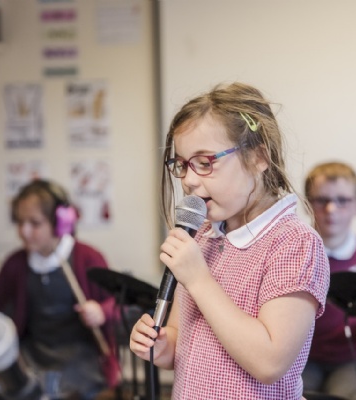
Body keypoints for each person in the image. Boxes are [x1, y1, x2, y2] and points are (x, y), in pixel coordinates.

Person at [129, 82, 330, 399]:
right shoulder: (202, 235)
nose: (189, 180)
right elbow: (182, 341)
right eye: (181, 165)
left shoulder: (294, 242)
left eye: (205, 162)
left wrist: (198, 278)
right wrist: (163, 345)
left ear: (258, 157)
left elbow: (269, 362)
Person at [0, 179, 120, 400]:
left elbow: (119, 306)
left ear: (61, 222)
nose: (24, 231)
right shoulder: (16, 262)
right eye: (20, 222)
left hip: (80, 361)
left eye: (34, 223)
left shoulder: (88, 258)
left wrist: (101, 311)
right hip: (33, 356)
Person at [302, 161, 356, 400]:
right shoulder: (293, 254)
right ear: (308, 203)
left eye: (342, 200)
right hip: (302, 356)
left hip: (352, 359)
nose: (331, 209)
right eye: (321, 200)